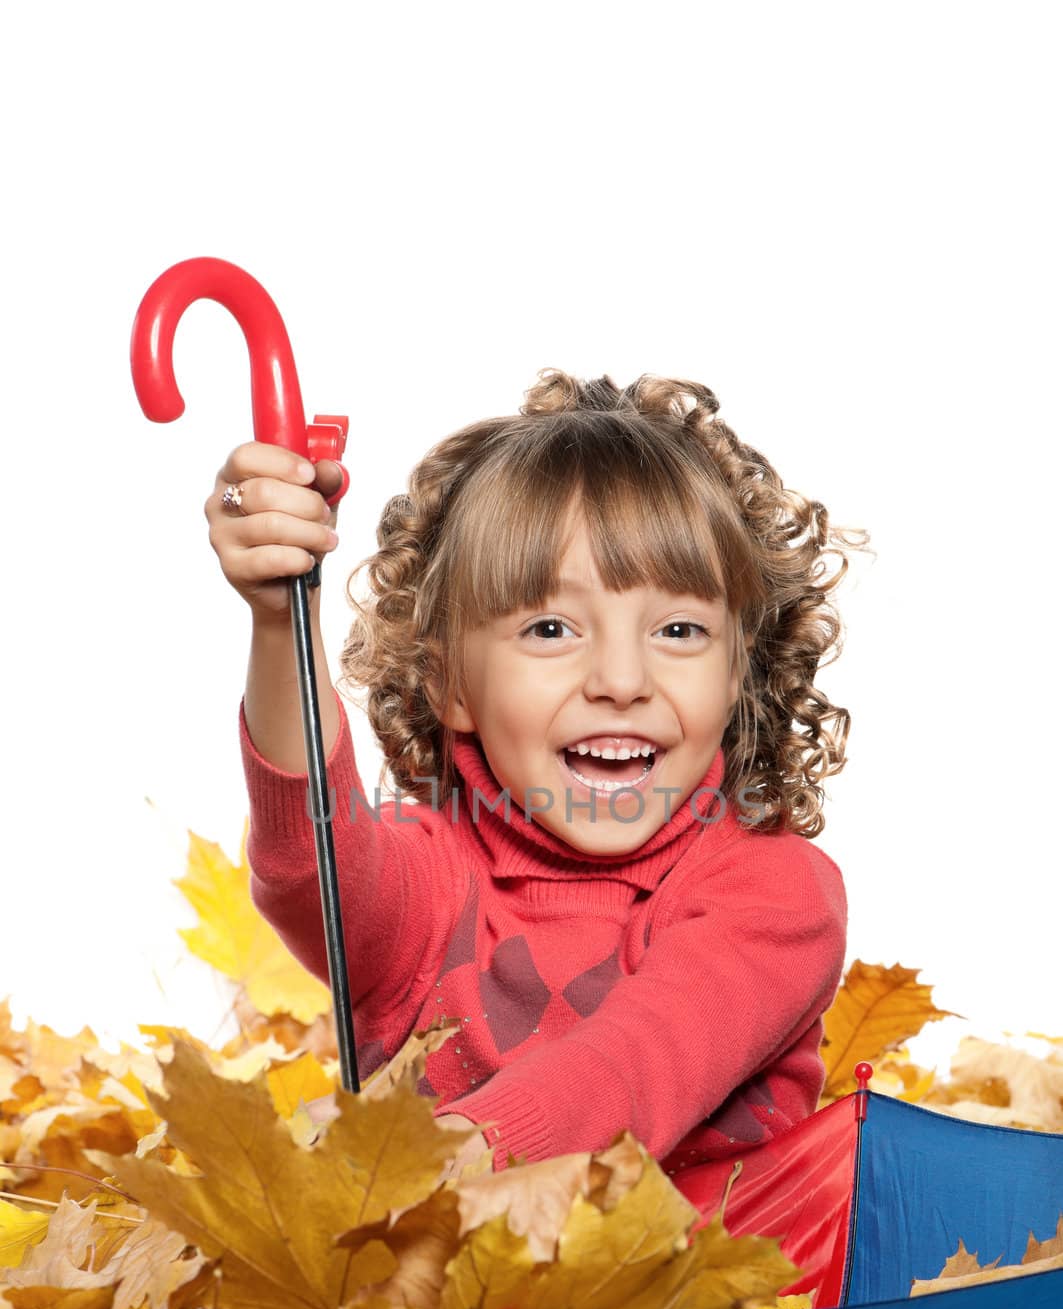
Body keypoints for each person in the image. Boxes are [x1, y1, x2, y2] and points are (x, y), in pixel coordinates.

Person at [205, 370, 869, 1188]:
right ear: (448, 682)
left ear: (739, 671)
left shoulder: (778, 896)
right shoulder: (428, 886)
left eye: (679, 628)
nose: (621, 679)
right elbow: (313, 866)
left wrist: (450, 1157)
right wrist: (281, 623)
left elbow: (633, 1066)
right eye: (550, 628)